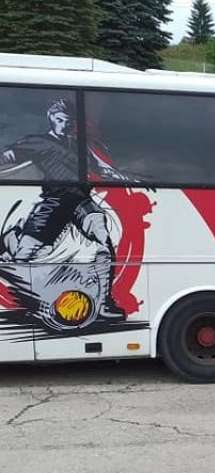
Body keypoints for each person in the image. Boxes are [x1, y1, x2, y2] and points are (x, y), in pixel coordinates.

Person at [0, 99, 129, 320]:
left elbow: (103, 169)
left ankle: (104, 303)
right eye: (60, 120)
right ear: (51, 118)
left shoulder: (80, 146)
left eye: (68, 122)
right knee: (23, 258)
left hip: (81, 201)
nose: (64, 125)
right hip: (55, 202)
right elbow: (8, 156)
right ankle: (12, 243)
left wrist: (124, 177)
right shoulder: (37, 141)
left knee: (103, 242)